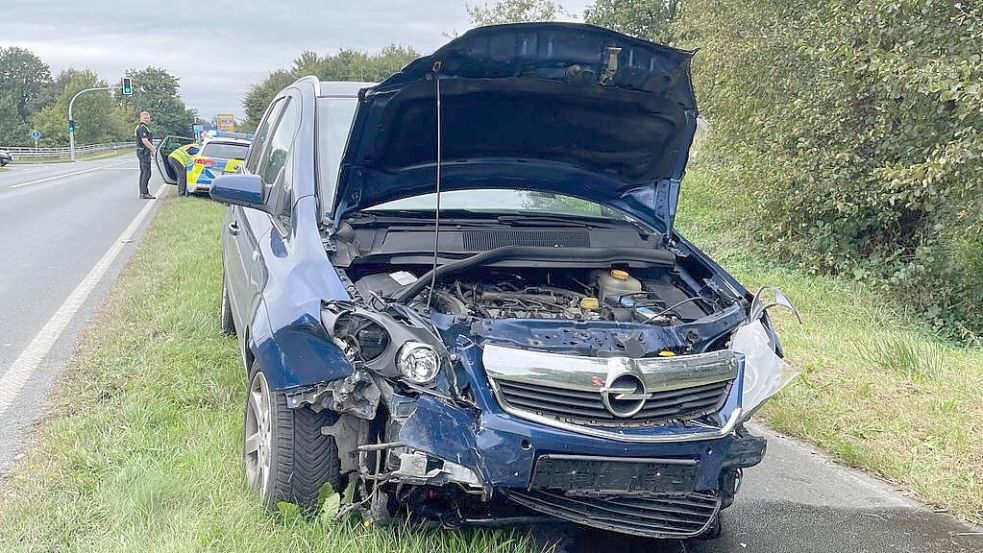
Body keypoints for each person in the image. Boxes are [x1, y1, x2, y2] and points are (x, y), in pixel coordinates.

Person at [135, 112, 155, 199]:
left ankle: (144, 192)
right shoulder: (142, 128)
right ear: (141, 118)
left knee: (146, 172)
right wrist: (153, 149)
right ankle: (143, 193)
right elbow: (145, 141)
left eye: (148, 118)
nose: (147, 119)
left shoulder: (145, 127)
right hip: (143, 153)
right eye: (145, 118)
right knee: (146, 173)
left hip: (144, 152)